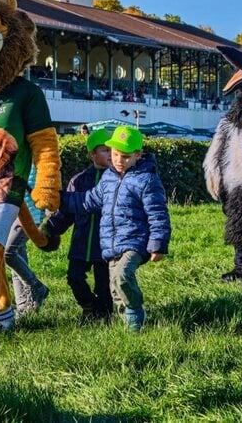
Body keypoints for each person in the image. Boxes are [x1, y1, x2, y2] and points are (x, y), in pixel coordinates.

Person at [60, 126, 171, 331]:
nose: (119, 160)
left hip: (136, 242)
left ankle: (135, 311)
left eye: (126, 157)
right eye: (115, 154)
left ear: (138, 155)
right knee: (114, 289)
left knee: (121, 276)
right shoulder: (108, 178)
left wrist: (157, 244)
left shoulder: (146, 180)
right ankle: (128, 326)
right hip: (110, 244)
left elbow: (158, 214)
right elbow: (88, 201)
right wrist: (59, 199)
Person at [44, 128, 114, 323]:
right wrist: (49, 228)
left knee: (105, 286)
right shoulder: (79, 180)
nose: (111, 154)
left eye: (113, 150)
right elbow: (66, 212)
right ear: (93, 154)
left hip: (105, 245)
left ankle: (105, 317)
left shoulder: (119, 180)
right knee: (74, 278)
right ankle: (89, 306)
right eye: (105, 150)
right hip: (81, 243)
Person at [4, 165, 50, 320]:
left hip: (30, 213)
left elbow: (47, 179)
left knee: (8, 253)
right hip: (11, 209)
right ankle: (24, 307)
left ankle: (36, 286)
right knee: (18, 255)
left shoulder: (35, 153)